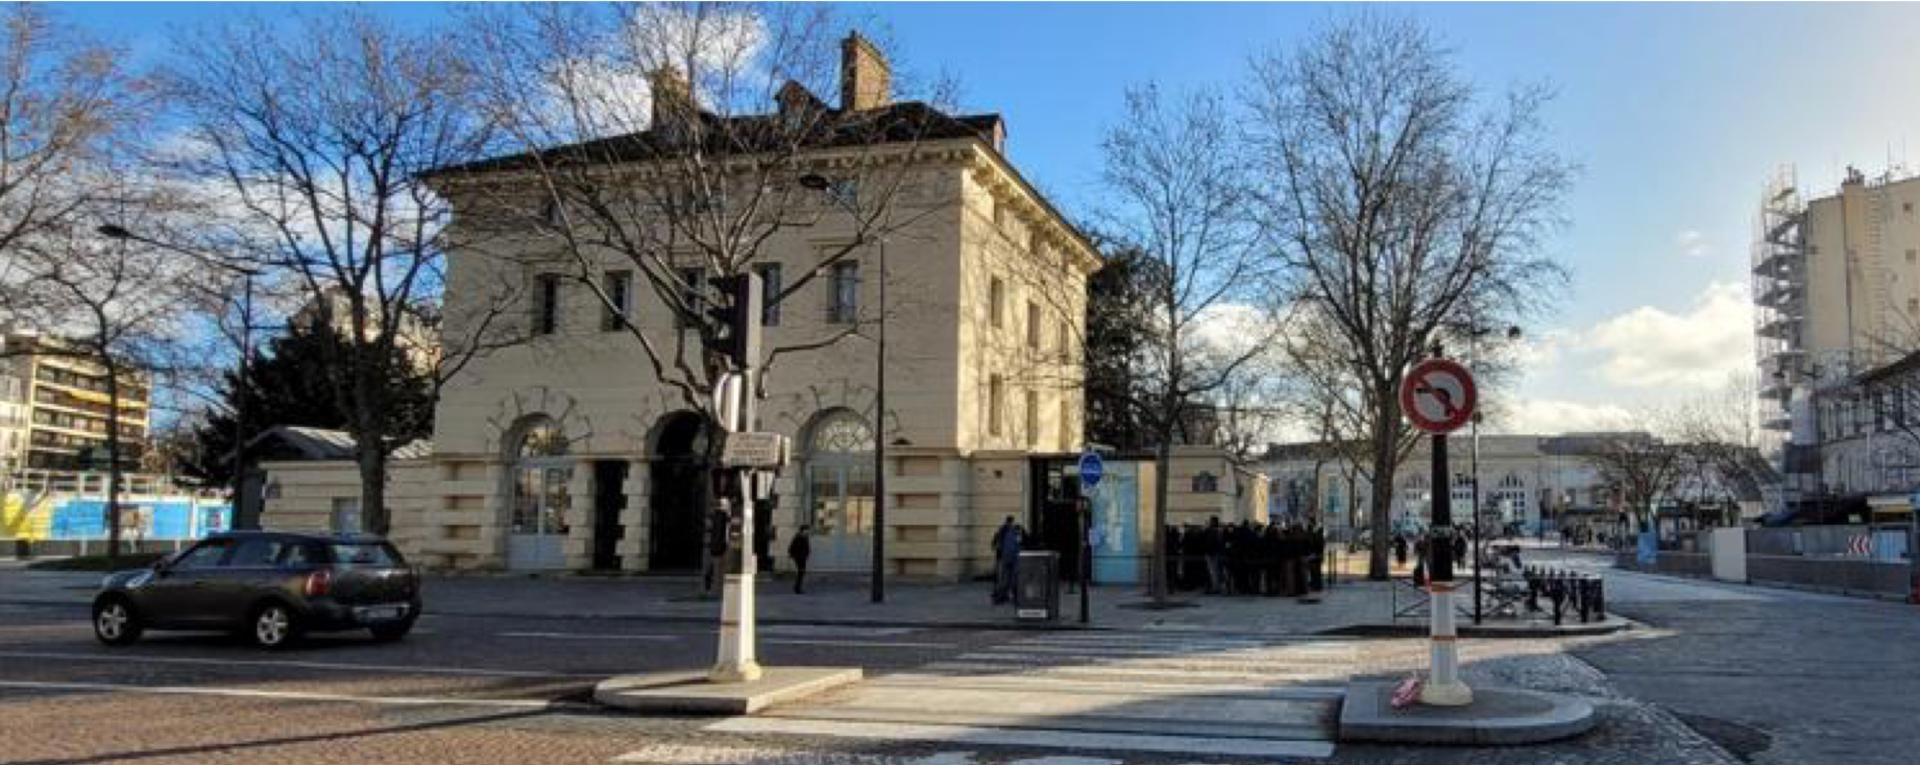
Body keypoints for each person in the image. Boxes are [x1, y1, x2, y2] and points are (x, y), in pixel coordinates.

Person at [703, 502, 732, 595]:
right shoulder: (724, 516)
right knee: (718, 568)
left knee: (711, 568)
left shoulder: (714, 516)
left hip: (713, 546)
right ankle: (716, 587)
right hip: (720, 545)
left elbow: (709, 529)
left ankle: (710, 588)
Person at [991, 516, 1021, 604]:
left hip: (1002, 558)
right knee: (1012, 578)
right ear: (1012, 522)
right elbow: (1017, 545)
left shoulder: (1000, 531)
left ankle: (1000, 597)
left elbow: (994, 545)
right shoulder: (1015, 532)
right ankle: (1013, 597)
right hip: (1012, 558)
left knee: (1002, 578)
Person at [1203, 516, 1227, 595]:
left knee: (1213, 571)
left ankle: (1215, 587)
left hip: (1212, 554)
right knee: (1218, 571)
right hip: (1218, 553)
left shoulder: (1211, 531)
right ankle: (1218, 587)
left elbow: (1209, 542)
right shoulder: (1219, 531)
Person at [787, 524, 812, 594]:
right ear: (803, 530)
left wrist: (807, 554)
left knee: (801, 572)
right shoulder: (798, 537)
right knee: (801, 572)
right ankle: (797, 588)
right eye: (807, 530)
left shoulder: (805, 537)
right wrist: (795, 556)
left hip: (803, 557)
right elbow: (791, 548)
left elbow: (806, 547)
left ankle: (798, 587)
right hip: (799, 557)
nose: (808, 531)